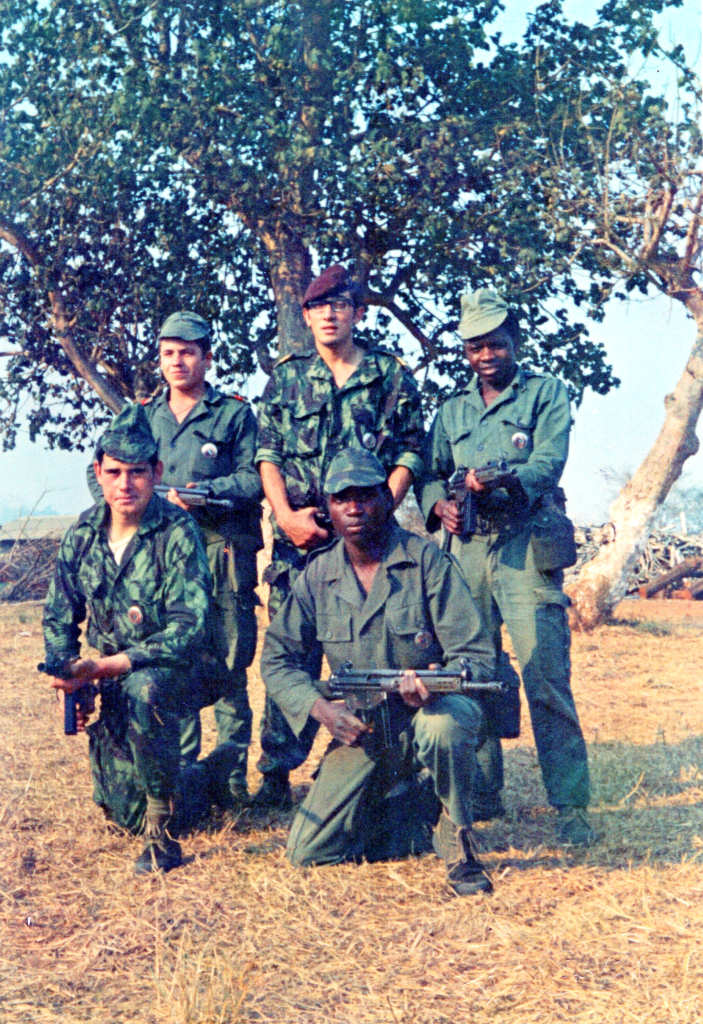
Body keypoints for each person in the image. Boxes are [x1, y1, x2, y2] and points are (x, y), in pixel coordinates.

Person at [261, 449, 497, 895]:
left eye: (366, 496)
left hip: (429, 715)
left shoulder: (426, 562)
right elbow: (276, 658)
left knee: (442, 727)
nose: (354, 508)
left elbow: (477, 656)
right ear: (328, 507)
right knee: (308, 851)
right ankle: (415, 810)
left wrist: (435, 684)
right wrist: (323, 711)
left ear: (387, 500)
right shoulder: (317, 575)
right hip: (365, 730)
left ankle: (459, 839)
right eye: (342, 498)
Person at [417, 288, 595, 846]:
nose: (486, 355)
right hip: (467, 550)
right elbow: (429, 472)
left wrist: (499, 480)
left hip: (525, 546)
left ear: (513, 342)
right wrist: (438, 506)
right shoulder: (452, 410)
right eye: (475, 347)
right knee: (473, 672)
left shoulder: (545, 393)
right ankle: (483, 792)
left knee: (545, 677)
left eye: (495, 344)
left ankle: (570, 805)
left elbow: (548, 462)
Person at [254, 264, 425, 809]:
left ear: (358, 313)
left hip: (369, 542)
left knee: (376, 650)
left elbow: (410, 450)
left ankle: (385, 764)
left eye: (340, 306)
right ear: (305, 316)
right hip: (301, 542)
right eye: (318, 308)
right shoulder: (286, 378)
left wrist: (380, 510)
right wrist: (285, 516)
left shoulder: (388, 374)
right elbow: (268, 453)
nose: (329, 315)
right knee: (293, 654)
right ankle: (277, 773)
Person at [43, 404, 232, 874]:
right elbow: (59, 616)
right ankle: (204, 778)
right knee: (123, 813)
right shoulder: (82, 534)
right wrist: (68, 674)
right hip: (114, 677)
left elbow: (188, 629)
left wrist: (105, 667)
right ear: (98, 473)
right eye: (114, 472)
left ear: (157, 473)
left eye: (137, 472)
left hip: (182, 671)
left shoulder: (177, 530)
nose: (125, 484)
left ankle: (162, 838)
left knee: (145, 691)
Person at [88, 312, 263, 808]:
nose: (177, 362)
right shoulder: (141, 415)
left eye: (187, 352)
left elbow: (254, 478)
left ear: (207, 358)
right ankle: (181, 775)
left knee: (229, 663)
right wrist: (137, 508)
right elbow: (98, 470)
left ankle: (231, 777)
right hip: (163, 558)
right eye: (168, 353)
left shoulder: (233, 414)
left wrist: (200, 495)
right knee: (172, 660)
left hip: (219, 550)